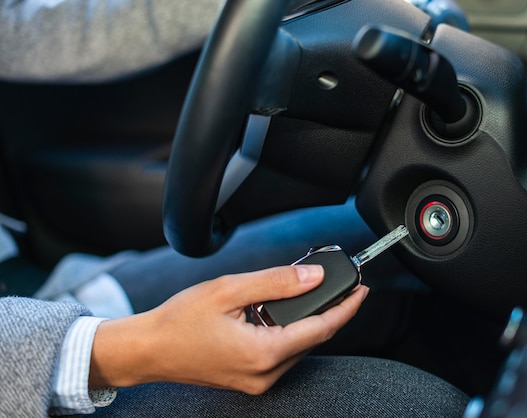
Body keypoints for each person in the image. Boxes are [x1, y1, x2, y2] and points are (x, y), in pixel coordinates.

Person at [0, 0, 470, 416]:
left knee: (373, 233)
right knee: (415, 406)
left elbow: (55, 26)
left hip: (38, 304)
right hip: (41, 379)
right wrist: (128, 350)